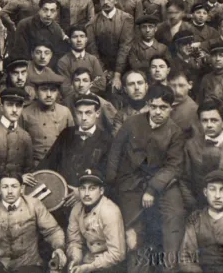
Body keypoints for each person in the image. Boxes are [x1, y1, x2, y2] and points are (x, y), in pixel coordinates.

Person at [106, 85, 185, 273]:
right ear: (148, 104)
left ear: (171, 108)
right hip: (131, 181)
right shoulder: (132, 123)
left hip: (162, 182)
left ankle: (169, 267)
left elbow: (173, 166)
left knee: (175, 213)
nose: (157, 112)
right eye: (154, 106)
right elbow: (115, 151)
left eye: (163, 107)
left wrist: (152, 189)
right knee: (134, 231)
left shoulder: (175, 132)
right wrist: (111, 181)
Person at [35, 95, 113, 226]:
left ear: (97, 113)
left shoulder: (107, 140)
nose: (83, 117)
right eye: (79, 113)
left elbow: (107, 174)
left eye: (88, 112)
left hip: (90, 202)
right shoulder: (66, 134)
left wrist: (82, 191)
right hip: (61, 200)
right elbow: (48, 162)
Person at [0, 172, 67, 273]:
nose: (10, 191)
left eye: (14, 186)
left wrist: (59, 248)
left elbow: (53, 231)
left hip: (29, 264)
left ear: (21, 189)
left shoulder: (34, 205)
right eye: (5, 187)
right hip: (0, 264)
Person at [66, 169, 126, 273]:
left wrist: (88, 267)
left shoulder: (110, 211)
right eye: (82, 188)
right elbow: (74, 241)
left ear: (101, 191)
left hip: (111, 264)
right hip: (89, 259)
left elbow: (117, 254)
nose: (86, 193)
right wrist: (76, 259)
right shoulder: (76, 209)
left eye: (92, 188)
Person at [0, 88, 33, 206]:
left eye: (19, 106)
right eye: (10, 105)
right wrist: (17, 179)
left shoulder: (25, 136)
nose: (14, 110)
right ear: (1, 106)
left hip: (17, 197)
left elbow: (28, 169)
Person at [19, 69, 74, 166]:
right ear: (36, 91)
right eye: (44, 89)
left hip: (60, 165)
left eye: (53, 90)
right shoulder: (25, 113)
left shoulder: (65, 112)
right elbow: (19, 145)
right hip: (35, 165)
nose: (49, 95)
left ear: (58, 92)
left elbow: (72, 142)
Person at [86, 0, 134, 92]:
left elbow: (125, 47)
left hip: (123, 68)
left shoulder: (126, 19)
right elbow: (92, 49)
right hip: (99, 69)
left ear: (116, 0)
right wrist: (102, 72)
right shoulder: (92, 22)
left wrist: (117, 75)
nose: (106, 2)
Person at [10, 0, 69, 71]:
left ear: (56, 13)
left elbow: (56, 55)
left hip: (47, 70)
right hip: (26, 69)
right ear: (39, 10)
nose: (48, 14)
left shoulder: (57, 29)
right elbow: (20, 53)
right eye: (45, 10)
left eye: (52, 11)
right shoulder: (25, 25)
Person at [63, 67, 119, 136]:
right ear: (72, 83)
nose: (81, 84)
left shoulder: (103, 104)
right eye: (77, 80)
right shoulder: (66, 102)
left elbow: (115, 129)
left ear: (91, 84)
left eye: (85, 80)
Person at [0, 58, 35, 126]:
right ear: (7, 74)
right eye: (15, 73)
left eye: (23, 72)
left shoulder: (31, 94)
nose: (20, 77)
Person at [58, 25, 106, 98]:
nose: (79, 40)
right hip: (72, 100)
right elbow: (66, 89)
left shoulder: (92, 59)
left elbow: (102, 84)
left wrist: (75, 87)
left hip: (92, 98)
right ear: (69, 40)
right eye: (75, 37)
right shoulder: (63, 62)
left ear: (86, 39)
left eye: (82, 36)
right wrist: (90, 84)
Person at [168, 69, 200, 139]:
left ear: (190, 85)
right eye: (173, 86)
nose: (177, 91)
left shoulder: (194, 111)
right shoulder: (161, 103)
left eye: (181, 86)